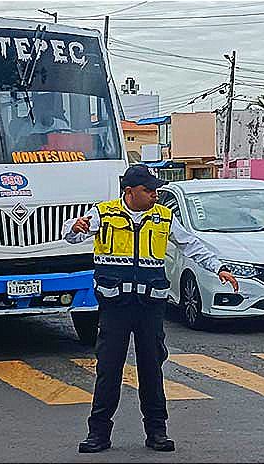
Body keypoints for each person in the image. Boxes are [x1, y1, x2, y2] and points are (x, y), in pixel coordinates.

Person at [63, 164, 238, 454]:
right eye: (148, 190)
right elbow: (71, 235)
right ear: (129, 192)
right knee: (108, 369)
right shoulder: (104, 213)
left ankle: (157, 432)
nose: (155, 195)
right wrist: (75, 227)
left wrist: (218, 268)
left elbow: (191, 245)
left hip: (149, 307)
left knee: (151, 370)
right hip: (115, 306)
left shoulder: (164, 217)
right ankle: (98, 434)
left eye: (155, 189)